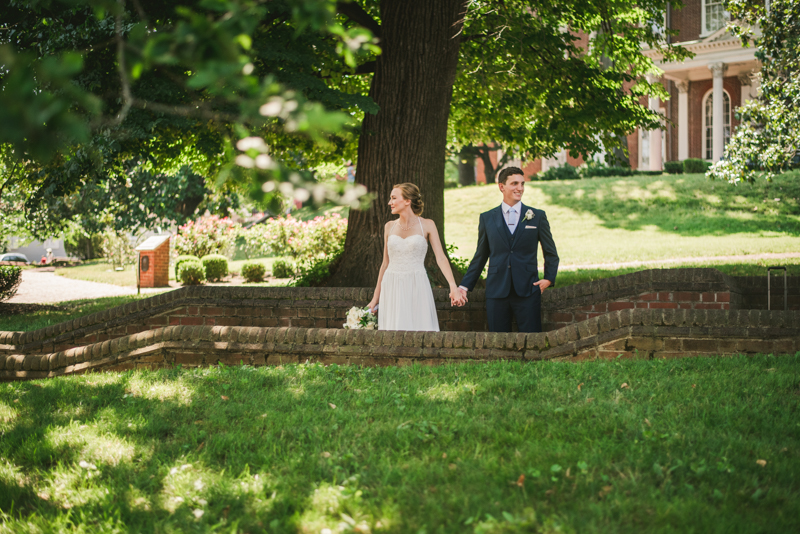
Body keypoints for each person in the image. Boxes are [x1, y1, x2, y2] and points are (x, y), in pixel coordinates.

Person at [458, 167, 559, 333]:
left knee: (531, 340)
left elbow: (551, 253)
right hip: (497, 290)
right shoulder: (487, 218)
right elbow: (480, 256)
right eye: (514, 183)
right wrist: (464, 286)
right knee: (498, 340)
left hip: (528, 289)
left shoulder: (537, 216)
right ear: (501, 187)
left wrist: (549, 279)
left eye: (522, 184)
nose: (520, 188)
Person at [367, 183, 465, 331]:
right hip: (391, 284)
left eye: (393, 198)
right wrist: (375, 299)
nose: (389, 202)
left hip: (417, 284)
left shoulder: (428, 225)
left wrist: (453, 286)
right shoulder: (389, 226)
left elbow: (441, 257)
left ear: (407, 201)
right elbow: (385, 264)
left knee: (420, 329)